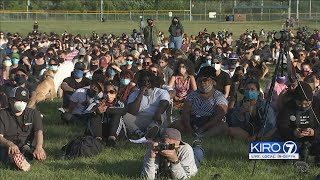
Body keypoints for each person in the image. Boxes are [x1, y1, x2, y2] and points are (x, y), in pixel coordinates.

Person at [173, 66, 229, 137]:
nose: (202, 83)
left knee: (223, 126)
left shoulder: (219, 96)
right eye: (199, 80)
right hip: (192, 121)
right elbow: (185, 112)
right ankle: (190, 133)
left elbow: (219, 115)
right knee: (177, 124)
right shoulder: (192, 95)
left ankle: (202, 136)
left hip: (209, 124)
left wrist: (203, 128)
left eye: (205, 80)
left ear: (213, 81)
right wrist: (188, 127)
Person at [0, 87, 46, 170]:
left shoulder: (33, 113)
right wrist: (9, 143)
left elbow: (38, 131)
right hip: (8, 145)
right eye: (18, 100)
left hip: (26, 144)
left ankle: (26, 157)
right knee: (8, 156)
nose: (21, 103)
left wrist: (39, 146)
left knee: (32, 153)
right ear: (10, 100)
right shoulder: (2, 114)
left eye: (24, 101)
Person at [276, 82, 320, 164]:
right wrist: (293, 132)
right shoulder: (288, 106)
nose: (303, 106)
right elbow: (282, 125)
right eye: (300, 103)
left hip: (314, 140)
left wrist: (314, 132)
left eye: (307, 104)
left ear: (312, 100)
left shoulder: (317, 105)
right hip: (293, 139)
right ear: (295, 100)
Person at [123, 70, 170, 138]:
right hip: (140, 119)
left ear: (153, 81)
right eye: (143, 81)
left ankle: (152, 131)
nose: (146, 83)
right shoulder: (134, 94)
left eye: (148, 81)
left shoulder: (162, 92)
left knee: (161, 115)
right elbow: (132, 112)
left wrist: (158, 113)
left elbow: (164, 104)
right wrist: (141, 93)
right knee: (126, 116)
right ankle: (140, 133)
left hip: (156, 118)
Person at [88, 81, 126, 147]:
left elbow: (122, 111)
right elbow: (86, 111)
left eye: (111, 92)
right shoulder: (97, 101)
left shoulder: (119, 103)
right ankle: (98, 139)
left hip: (116, 131)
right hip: (101, 129)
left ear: (116, 94)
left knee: (117, 115)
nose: (108, 95)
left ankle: (111, 139)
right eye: (106, 92)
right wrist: (96, 110)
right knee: (95, 114)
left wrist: (106, 110)